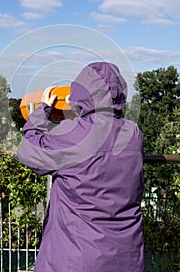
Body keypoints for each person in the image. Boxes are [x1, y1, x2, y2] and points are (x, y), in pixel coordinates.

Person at [17, 62, 146, 272]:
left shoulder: (72, 134)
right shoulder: (133, 134)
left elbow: (28, 151)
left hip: (77, 258)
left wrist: (44, 111)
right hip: (127, 257)